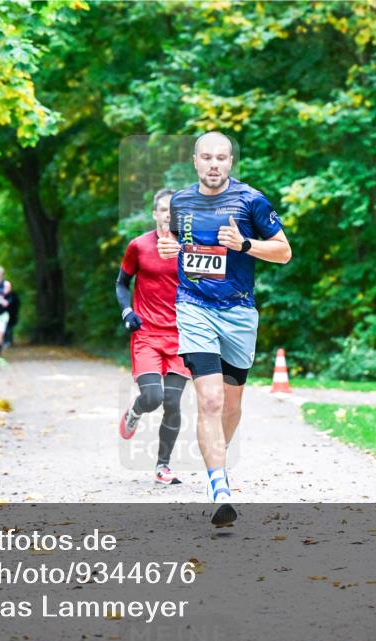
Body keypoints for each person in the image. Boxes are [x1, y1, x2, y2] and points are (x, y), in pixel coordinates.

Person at [157, 131, 292, 526]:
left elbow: (284, 252)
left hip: (238, 313)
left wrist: (245, 244)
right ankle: (220, 488)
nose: (214, 164)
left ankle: (217, 459)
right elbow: (185, 248)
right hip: (194, 306)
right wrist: (173, 252)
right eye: (207, 157)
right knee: (210, 401)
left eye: (221, 158)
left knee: (231, 405)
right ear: (195, 161)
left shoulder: (251, 201)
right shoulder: (179, 202)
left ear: (230, 162)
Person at [116, 188, 190, 485]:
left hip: (182, 337)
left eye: (173, 211)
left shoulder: (191, 248)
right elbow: (122, 283)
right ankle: (136, 409)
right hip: (147, 333)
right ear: (154, 214)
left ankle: (163, 465)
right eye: (162, 210)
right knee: (153, 397)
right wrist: (126, 311)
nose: (167, 215)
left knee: (172, 402)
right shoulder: (139, 246)